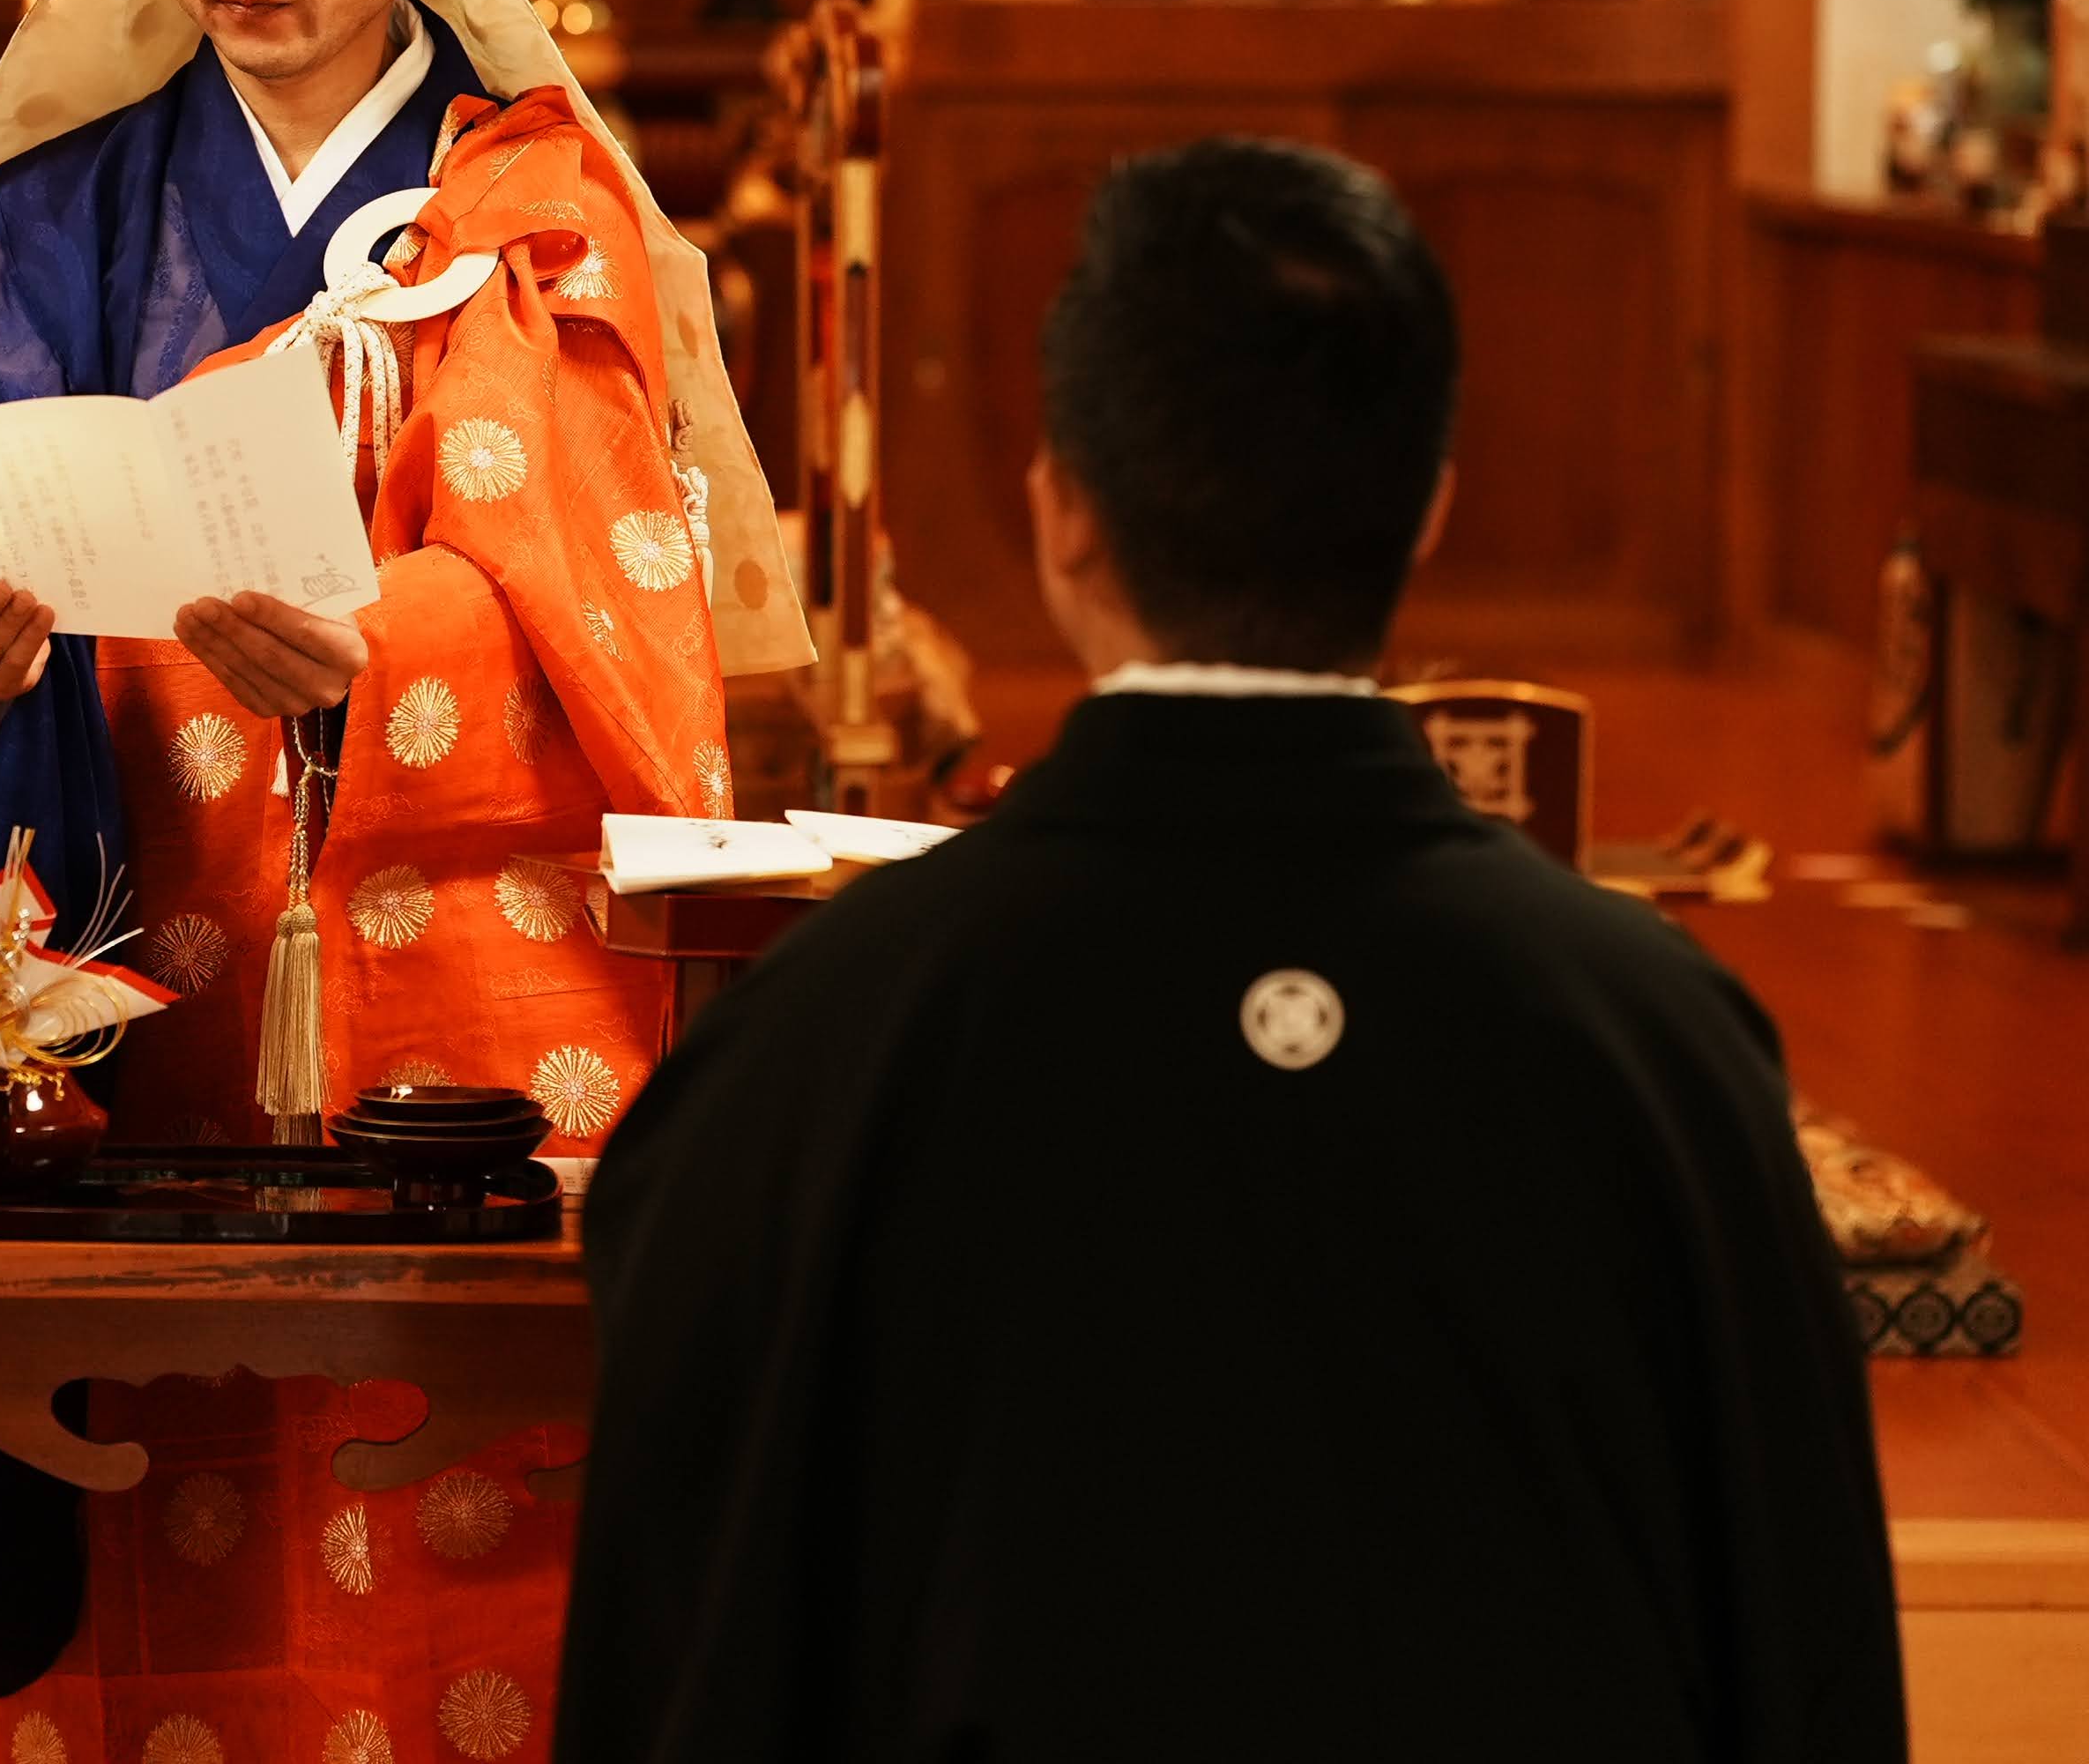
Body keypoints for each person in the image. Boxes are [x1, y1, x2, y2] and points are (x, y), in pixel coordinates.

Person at [0, 0, 814, 1756]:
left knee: (450, 1573)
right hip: (129, 988)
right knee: (162, 1558)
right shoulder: (53, 218)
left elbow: (610, 575)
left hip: (452, 1004)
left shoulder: (532, 195)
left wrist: (388, 656)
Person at [555, 137, 1907, 1763]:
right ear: (1427, 520)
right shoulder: (1658, 1040)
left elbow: (677, 1647)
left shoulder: (809, 1045)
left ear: (1060, 514)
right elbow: (1806, 1649)